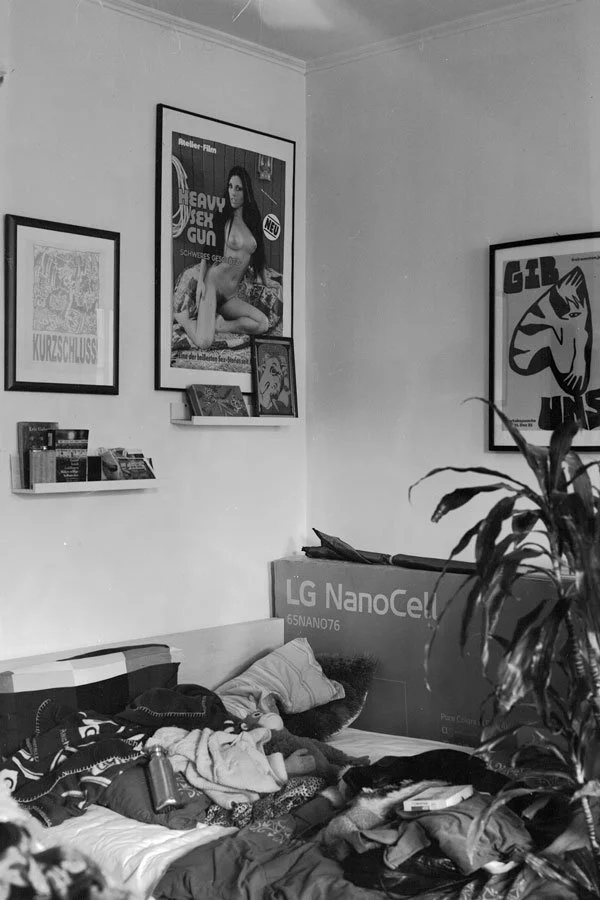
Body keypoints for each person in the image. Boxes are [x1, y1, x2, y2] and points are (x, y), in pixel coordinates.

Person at [174, 165, 278, 350]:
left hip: (230, 296)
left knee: (263, 324)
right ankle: (183, 319)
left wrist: (266, 281)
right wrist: (201, 282)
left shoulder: (254, 220)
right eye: (230, 187)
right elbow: (207, 251)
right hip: (213, 285)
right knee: (204, 342)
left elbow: (259, 255)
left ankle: (222, 325)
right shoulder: (223, 216)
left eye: (238, 188)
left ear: (246, 192)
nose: (233, 193)